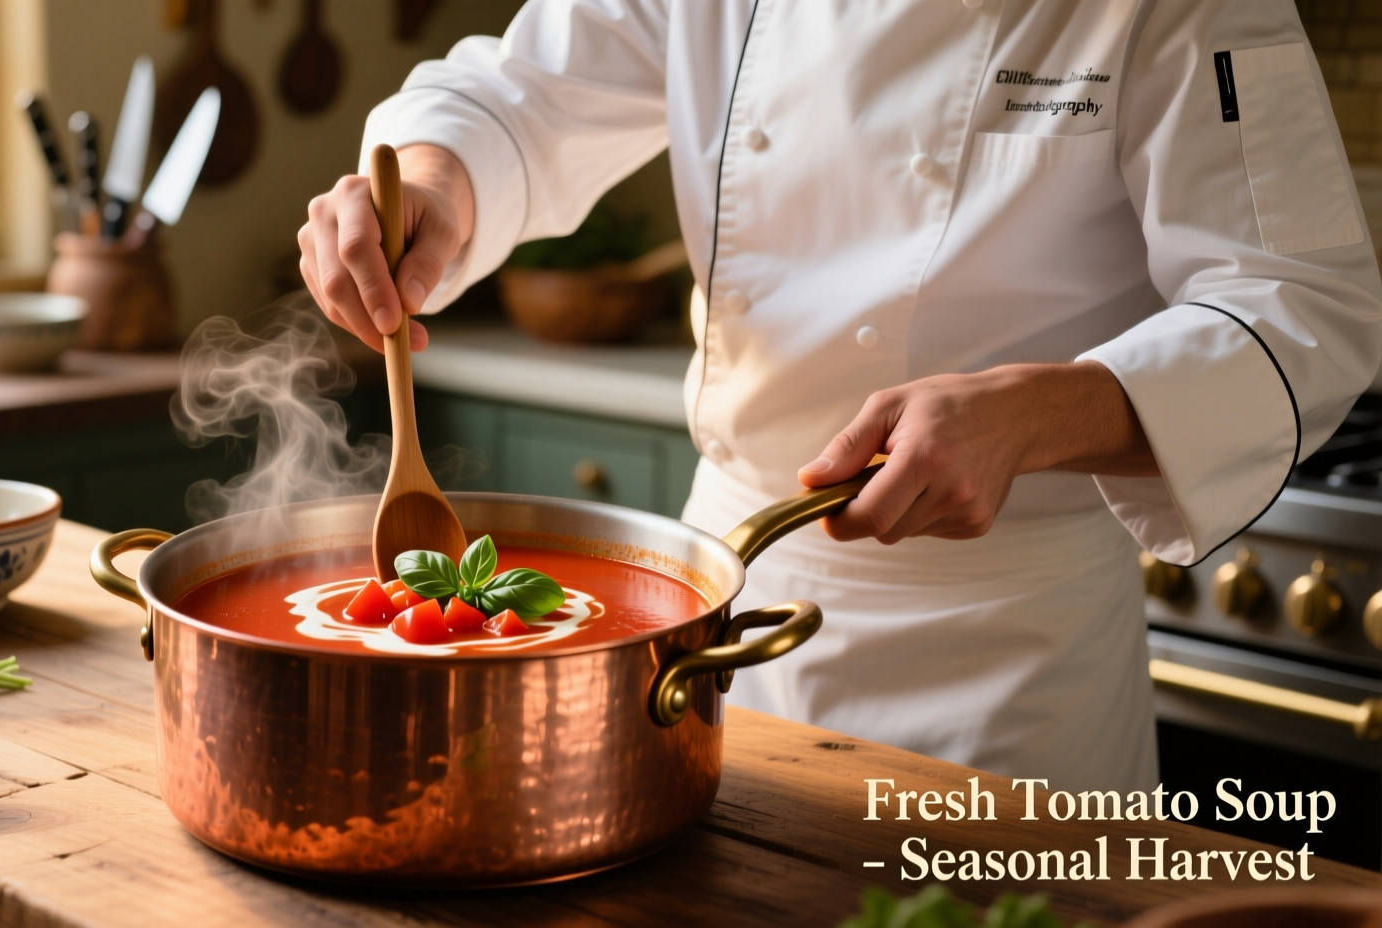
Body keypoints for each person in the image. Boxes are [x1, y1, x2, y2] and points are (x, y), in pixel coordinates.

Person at [297, 0, 1382, 791]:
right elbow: (517, 92)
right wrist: (436, 178)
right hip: (715, 617)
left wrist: (1035, 410)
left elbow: (1306, 306)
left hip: (1005, 663)